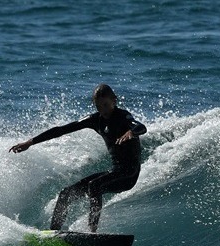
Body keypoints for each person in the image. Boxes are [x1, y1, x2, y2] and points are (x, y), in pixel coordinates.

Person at [9, 84, 147, 233]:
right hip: (115, 172)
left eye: (106, 105)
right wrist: (30, 142)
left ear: (114, 100)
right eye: (98, 106)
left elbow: (141, 127)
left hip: (129, 174)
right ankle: (53, 233)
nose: (103, 110)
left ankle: (92, 230)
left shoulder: (123, 116)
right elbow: (61, 130)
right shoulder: (95, 120)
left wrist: (132, 133)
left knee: (94, 185)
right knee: (65, 194)